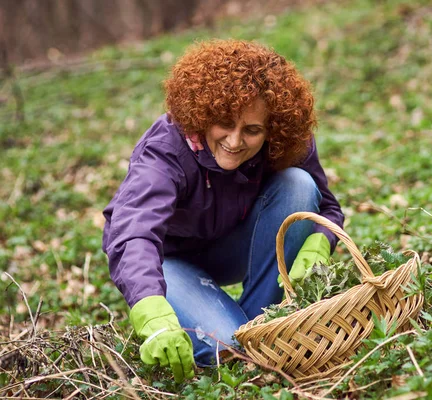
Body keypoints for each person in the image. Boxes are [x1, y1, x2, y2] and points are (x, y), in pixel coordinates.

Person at [102, 39, 344, 382]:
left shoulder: (287, 142)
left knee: (299, 184)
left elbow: (328, 206)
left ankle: (264, 324)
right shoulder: (167, 148)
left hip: (233, 246)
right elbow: (133, 231)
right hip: (168, 261)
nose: (234, 141)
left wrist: (319, 243)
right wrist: (150, 309)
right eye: (224, 123)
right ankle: (241, 338)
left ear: (271, 129)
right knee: (228, 344)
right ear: (204, 114)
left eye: (252, 130)